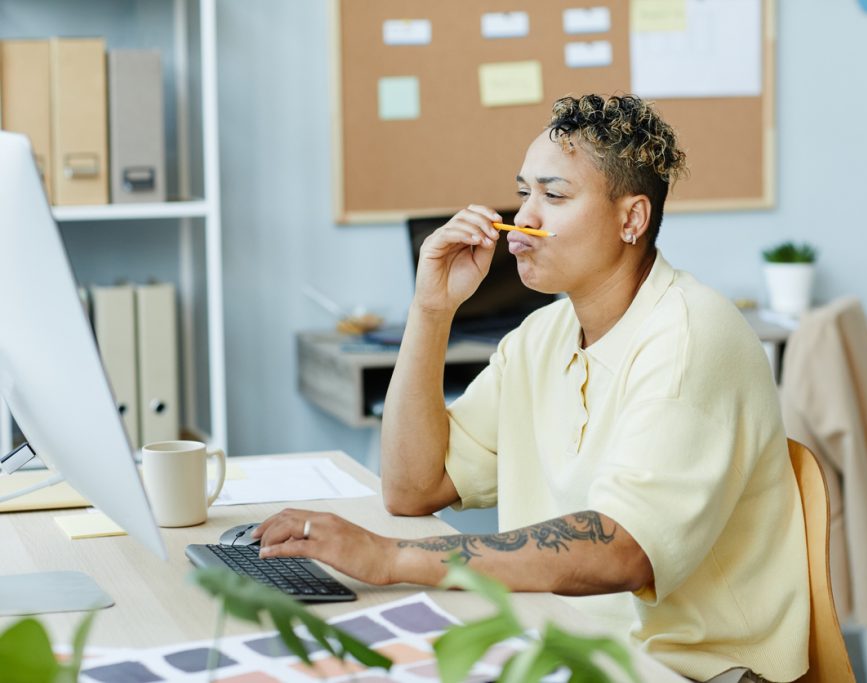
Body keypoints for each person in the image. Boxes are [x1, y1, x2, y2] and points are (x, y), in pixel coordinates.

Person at [256, 94, 810, 682]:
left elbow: (620, 550)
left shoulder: (693, 338)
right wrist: (430, 310)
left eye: (555, 195)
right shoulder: (541, 336)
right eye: (524, 193)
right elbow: (414, 488)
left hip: (688, 670)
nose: (525, 218)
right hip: (561, 647)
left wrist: (391, 557)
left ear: (632, 219)